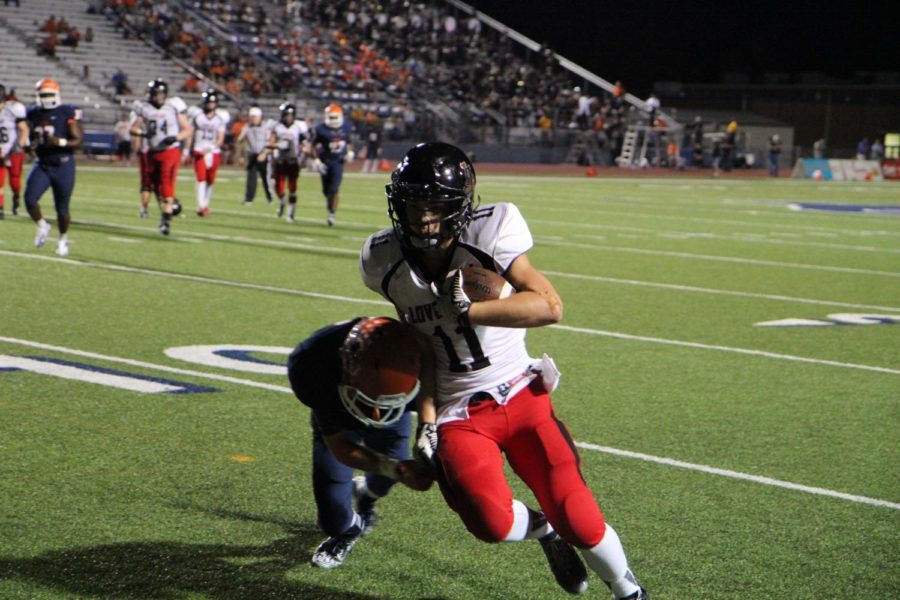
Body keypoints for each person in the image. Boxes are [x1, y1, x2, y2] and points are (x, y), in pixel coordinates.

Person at [359, 142, 648, 599]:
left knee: (581, 518)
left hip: (521, 393)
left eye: (435, 205)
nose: (423, 218)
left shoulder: (491, 233)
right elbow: (425, 352)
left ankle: (627, 590)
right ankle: (543, 532)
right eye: (414, 203)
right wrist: (427, 423)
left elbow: (550, 307)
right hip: (458, 411)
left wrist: (474, 310)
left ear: (458, 206)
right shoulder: (384, 262)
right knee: (490, 524)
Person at [287, 316, 435, 568]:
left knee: (387, 480)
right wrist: (396, 467)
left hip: (397, 406)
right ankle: (348, 531)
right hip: (338, 411)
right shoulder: (312, 365)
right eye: (371, 402)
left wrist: (427, 433)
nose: (376, 414)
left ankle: (366, 493)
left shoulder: (429, 365)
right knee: (332, 520)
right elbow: (342, 447)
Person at [23, 79, 83, 256]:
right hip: (42, 163)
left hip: (63, 164)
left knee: (62, 208)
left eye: (50, 94)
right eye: (43, 95)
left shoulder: (66, 112)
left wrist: (60, 141)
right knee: (30, 199)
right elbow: (30, 135)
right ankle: (42, 226)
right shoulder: (33, 112)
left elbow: (78, 141)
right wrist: (30, 145)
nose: (47, 98)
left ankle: (62, 238)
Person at [130, 79, 193, 235]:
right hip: (152, 151)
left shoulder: (173, 105)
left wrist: (176, 138)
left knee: (166, 184)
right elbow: (133, 129)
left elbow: (187, 129)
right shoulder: (143, 107)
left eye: (162, 94)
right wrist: (143, 134)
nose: (159, 97)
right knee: (155, 186)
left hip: (169, 150)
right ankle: (164, 213)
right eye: (157, 94)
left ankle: (165, 221)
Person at [310, 103, 354, 227]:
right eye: (331, 117)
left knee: (334, 189)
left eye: (335, 117)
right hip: (325, 161)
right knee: (326, 191)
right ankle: (330, 208)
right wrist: (316, 160)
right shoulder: (320, 129)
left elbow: (349, 140)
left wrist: (350, 151)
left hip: (337, 162)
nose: (333, 120)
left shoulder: (346, 127)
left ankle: (332, 214)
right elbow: (312, 146)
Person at [267, 102, 309, 223]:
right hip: (280, 160)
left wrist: (306, 149)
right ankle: (281, 202)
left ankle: (291, 215)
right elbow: (271, 142)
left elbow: (304, 142)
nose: (289, 117)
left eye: (291, 115)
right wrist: (277, 145)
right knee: (278, 187)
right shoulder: (277, 127)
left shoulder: (298, 127)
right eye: (286, 115)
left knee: (292, 188)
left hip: (293, 161)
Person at [189, 89, 227, 217]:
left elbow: (220, 138)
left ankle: (206, 204)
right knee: (201, 179)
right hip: (199, 150)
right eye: (209, 102)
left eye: (213, 102)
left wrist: (210, 147)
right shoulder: (198, 116)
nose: (211, 104)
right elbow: (191, 133)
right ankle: (201, 206)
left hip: (213, 151)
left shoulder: (220, 119)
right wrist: (187, 149)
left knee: (210, 180)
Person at [0, 83, 29, 219]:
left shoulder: (13, 109)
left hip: (13, 149)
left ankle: (16, 197)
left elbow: (24, 129)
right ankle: (0, 208)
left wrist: (19, 146)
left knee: (14, 179)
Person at [237, 105, 274, 205]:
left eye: (254, 117)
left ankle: (270, 197)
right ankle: (249, 199)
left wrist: (265, 153)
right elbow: (240, 139)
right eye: (251, 117)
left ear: (260, 117)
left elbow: (270, 141)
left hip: (264, 154)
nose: (252, 119)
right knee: (251, 178)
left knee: (266, 178)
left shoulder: (266, 127)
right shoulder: (247, 127)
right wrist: (241, 154)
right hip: (252, 154)